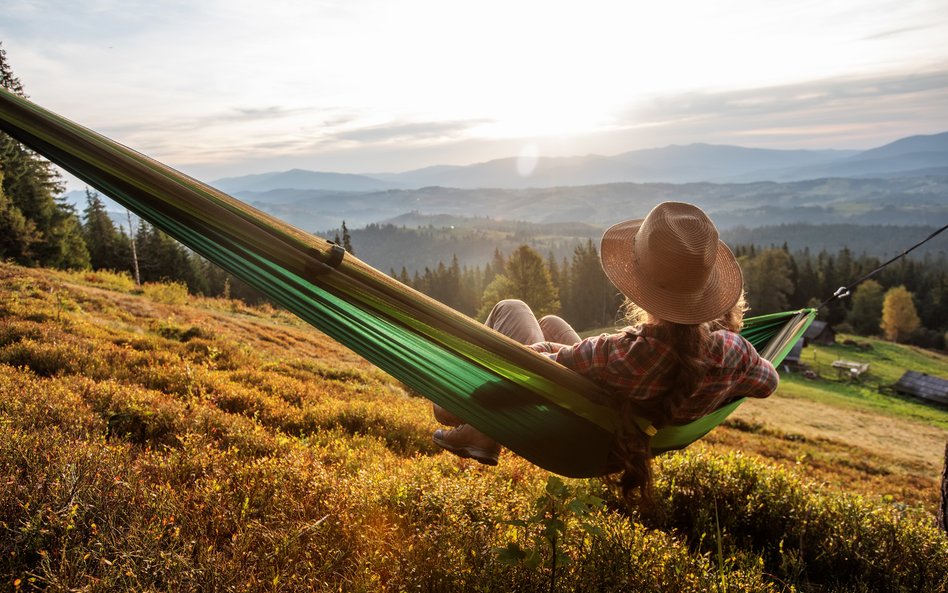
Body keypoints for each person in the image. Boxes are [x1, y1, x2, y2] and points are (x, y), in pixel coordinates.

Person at [431, 201, 779, 508]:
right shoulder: (735, 353)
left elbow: (528, 376)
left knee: (512, 308)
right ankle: (483, 431)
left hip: (570, 425)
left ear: (639, 286)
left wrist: (468, 391)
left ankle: (482, 432)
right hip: (618, 424)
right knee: (550, 322)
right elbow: (768, 383)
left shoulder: (616, 354)